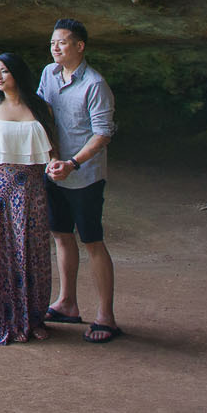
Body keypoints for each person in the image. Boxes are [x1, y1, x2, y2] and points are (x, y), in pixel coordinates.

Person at [0, 51, 60, 344]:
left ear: (18, 73)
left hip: (31, 188)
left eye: (4, 71)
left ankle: (31, 319)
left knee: (32, 251)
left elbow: (53, 149)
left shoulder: (41, 108)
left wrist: (56, 166)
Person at [39, 18, 122, 342]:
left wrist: (72, 163)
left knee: (92, 241)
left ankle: (106, 317)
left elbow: (103, 133)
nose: (55, 48)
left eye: (61, 42)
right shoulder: (49, 73)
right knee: (61, 235)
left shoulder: (95, 84)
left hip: (85, 176)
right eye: (52, 43)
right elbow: (41, 113)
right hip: (55, 170)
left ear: (79, 46)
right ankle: (67, 303)